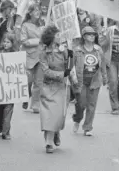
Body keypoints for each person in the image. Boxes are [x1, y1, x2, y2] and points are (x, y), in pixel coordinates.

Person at [39, 25, 73, 154]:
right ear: (51, 38)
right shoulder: (43, 52)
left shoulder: (63, 49)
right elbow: (45, 71)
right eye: (57, 35)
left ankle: (56, 132)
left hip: (61, 87)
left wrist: (70, 55)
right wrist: (61, 74)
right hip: (48, 86)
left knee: (58, 115)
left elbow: (69, 66)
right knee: (48, 115)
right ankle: (48, 142)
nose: (60, 37)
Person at [72, 26, 107, 136]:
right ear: (84, 36)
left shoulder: (98, 50)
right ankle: (77, 119)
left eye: (93, 34)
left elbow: (103, 65)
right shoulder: (77, 50)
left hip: (95, 81)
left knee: (91, 105)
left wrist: (105, 77)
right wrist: (71, 78)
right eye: (89, 34)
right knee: (81, 104)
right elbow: (72, 65)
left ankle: (87, 128)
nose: (92, 36)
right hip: (81, 81)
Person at [99, 21, 119, 115]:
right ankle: (115, 106)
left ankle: (118, 98)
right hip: (112, 60)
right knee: (113, 82)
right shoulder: (110, 30)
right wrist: (103, 34)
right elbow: (102, 43)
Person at [0, 33, 17, 140]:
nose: (6, 44)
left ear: (12, 43)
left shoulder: (16, 55)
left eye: (8, 42)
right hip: (1, 86)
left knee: (9, 108)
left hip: (11, 85)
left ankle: (6, 131)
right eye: (5, 42)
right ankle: (0, 125)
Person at [20, 4, 43, 113]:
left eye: (39, 10)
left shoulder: (43, 24)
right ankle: (26, 96)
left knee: (39, 82)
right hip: (29, 56)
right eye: (35, 10)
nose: (37, 12)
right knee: (28, 81)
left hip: (41, 57)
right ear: (30, 13)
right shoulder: (25, 25)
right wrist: (38, 41)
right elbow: (23, 40)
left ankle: (35, 104)